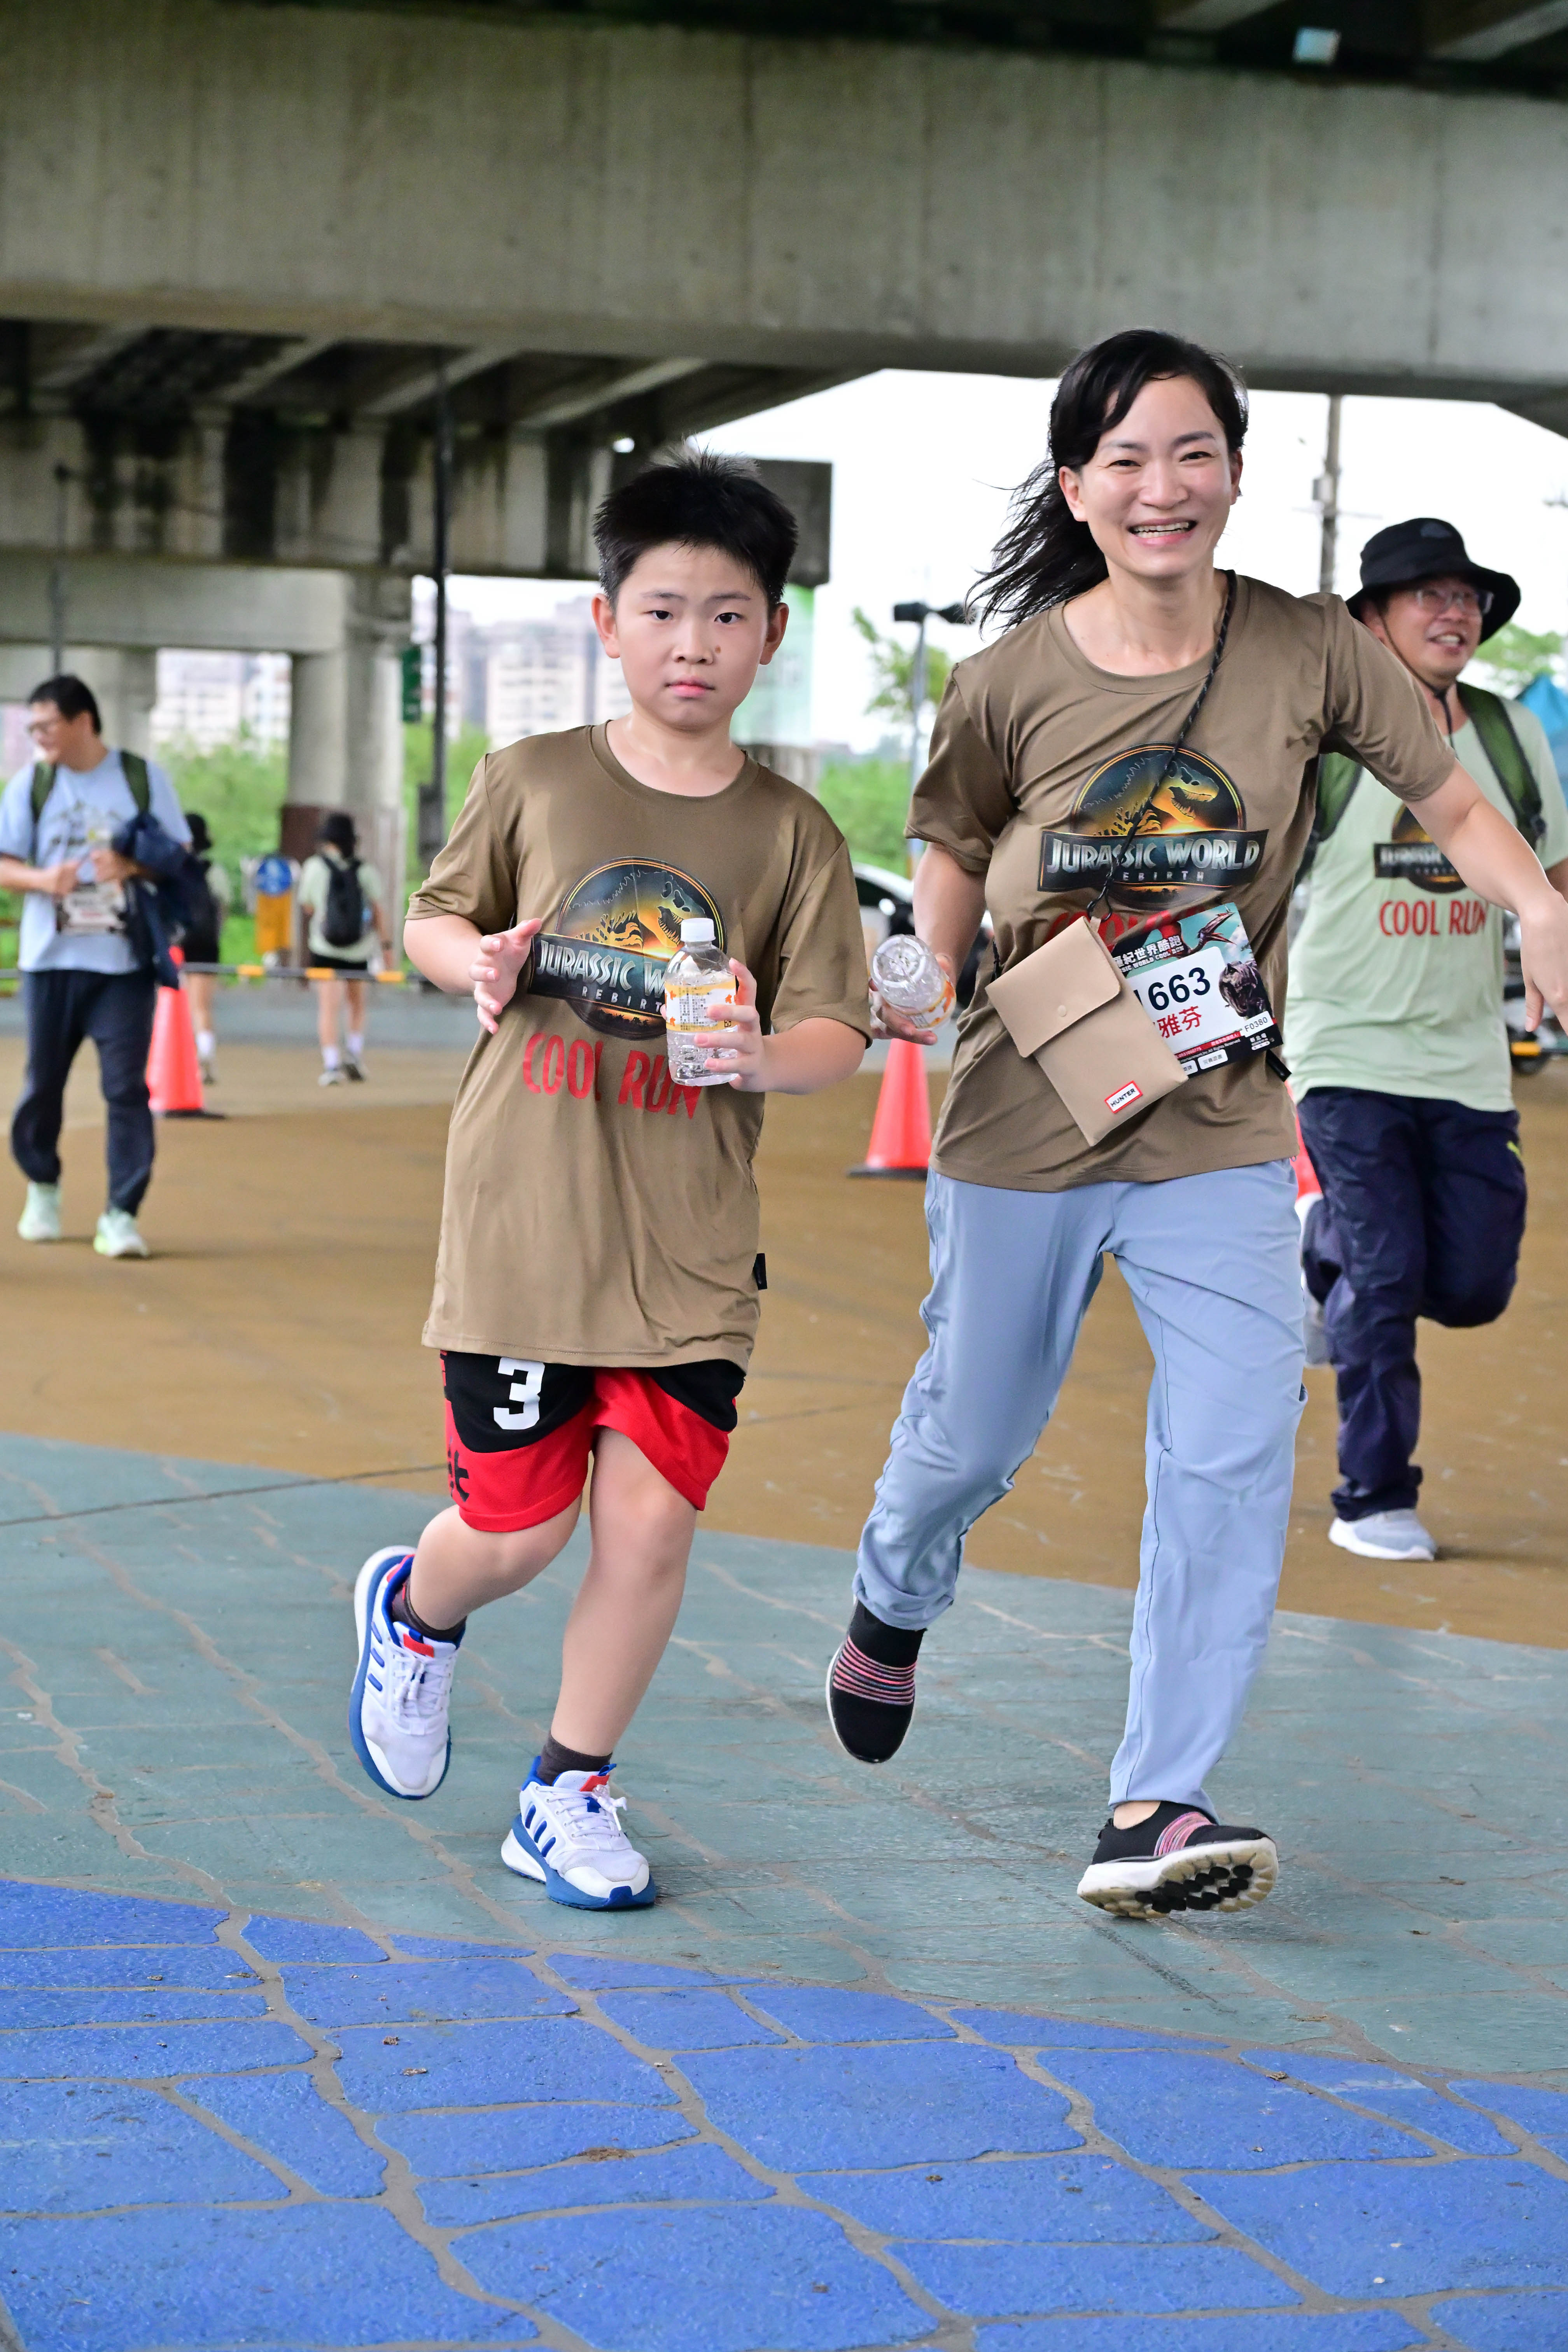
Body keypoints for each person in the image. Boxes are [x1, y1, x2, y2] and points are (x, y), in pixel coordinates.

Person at [824, 331, 1568, 1922]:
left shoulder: (1311, 650)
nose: (1162, 487)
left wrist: (1538, 907)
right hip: (1027, 1107)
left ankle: (1155, 1802)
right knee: (975, 1433)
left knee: (1232, 1440)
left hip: (1217, 1112)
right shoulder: (1007, 680)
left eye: (1193, 453)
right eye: (1127, 460)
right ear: (1077, 488)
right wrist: (923, 972)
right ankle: (895, 1590)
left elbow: (1448, 797)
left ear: (1235, 469)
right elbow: (948, 848)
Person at [346, 452, 869, 1909]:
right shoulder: (533, 779)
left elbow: (835, 1030)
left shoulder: (794, 831)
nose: (693, 643)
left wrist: (761, 1053)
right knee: (518, 1532)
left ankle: (566, 1785)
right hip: (524, 1225)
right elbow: (433, 921)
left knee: (648, 1523)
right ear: (606, 620)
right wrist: (478, 959)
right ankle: (416, 1608)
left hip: (690, 1247)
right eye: (662, 611)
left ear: (772, 633)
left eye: (728, 614)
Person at [1287, 520, 1568, 1565]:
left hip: (1467, 1060)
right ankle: (1373, 1495)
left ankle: (1320, 1246)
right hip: (1344, 1048)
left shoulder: (1508, 734)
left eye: (1467, 598)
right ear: (1373, 620)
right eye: (1427, 596)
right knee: (1389, 1276)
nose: (1455, 613)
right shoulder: (1328, 741)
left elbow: (1552, 873)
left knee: (1473, 1284)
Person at [0, 674, 189, 1260]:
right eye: (33, 727)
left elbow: (178, 855)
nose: (38, 736)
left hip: (123, 963)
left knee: (126, 1088)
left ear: (83, 721)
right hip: (49, 961)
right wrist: (43, 880)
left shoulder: (140, 778)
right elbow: (4, 864)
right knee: (43, 1084)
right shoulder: (32, 784)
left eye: (46, 725)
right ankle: (43, 1187)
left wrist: (130, 866)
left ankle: (121, 1214)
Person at [296, 812, 392, 1085]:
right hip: (359, 949)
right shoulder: (365, 870)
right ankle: (354, 1055)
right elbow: (378, 911)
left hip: (324, 947)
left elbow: (308, 906)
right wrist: (386, 947)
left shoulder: (314, 867)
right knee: (357, 1004)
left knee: (329, 1008)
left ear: (326, 839)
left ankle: (331, 1065)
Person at [178, 812, 232, 1085]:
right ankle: (206, 1055)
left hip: (176, 946)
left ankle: (178, 1061)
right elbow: (224, 908)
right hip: (206, 945)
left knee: (174, 1008)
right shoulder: (215, 871)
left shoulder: (171, 868)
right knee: (202, 1007)